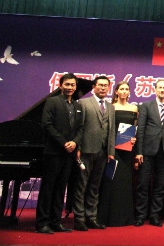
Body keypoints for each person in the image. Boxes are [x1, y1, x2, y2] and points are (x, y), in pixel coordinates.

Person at [35, 73, 84, 234]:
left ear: (76, 87)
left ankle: (56, 222)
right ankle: (42, 223)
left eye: (72, 85)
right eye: (67, 84)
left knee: (61, 188)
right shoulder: (52, 102)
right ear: (60, 85)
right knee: (48, 188)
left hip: (69, 154)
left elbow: (80, 128)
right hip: (54, 152)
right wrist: (64, 143)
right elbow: (47, 125)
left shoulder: (77, 105)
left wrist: (75, 142)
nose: (70, 87)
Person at [134, 79, 164, 227]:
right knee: (143, 185)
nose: (162, 90)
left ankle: (155, 216)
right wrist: (139, 151)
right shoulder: (146, 105)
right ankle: (141, 215)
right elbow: (141, 129)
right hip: (147, 151)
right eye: (159, 87)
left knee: (161, 186)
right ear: (155, 89)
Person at [73, 75, 116, 231]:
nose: (103, 88)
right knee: (81, 185)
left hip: (103, 152)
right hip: (86, 150)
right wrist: (78, 148)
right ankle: (79, 218)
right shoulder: (83, 103)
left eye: (106, 85)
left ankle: (91, 217)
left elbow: (111, 130)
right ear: (93, 87)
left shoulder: (110, 107)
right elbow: (79, 128)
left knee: (95, 186)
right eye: (100, 85)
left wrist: (111, 151)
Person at [97, 80, 138, 227]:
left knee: (125, 182)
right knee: (110, 181)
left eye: (127, 89)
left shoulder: (134, 108)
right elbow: (106, 128)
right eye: (122, 89)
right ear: (116, 91)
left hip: (127, 150)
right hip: (112, 150)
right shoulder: (111, 107)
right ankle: (108, 218)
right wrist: (110, 147)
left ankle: (125, 217)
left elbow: (135, 128)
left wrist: (134, 138)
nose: (124, 91)